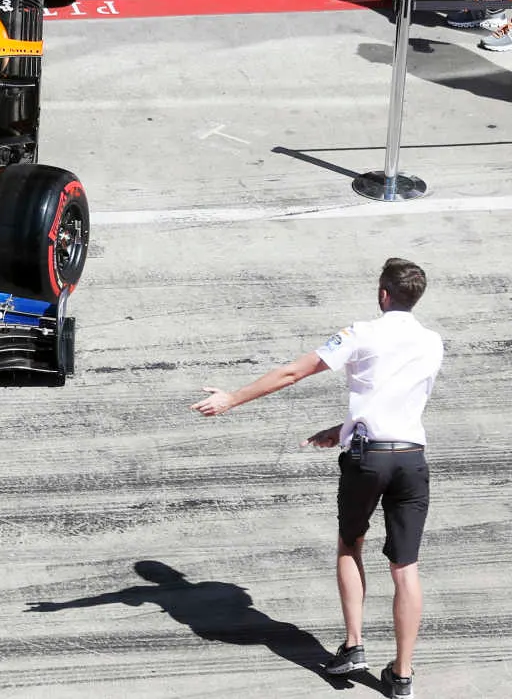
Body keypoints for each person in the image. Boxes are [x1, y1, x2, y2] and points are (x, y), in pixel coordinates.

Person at [191, 258, 441, 699]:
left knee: (351, 544)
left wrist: (233, 398)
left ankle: (354, 645)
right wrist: (342, 429)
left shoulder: (361, 333)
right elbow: (395, 401)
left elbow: (293, 372)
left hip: (368, 460)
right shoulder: (432, 341)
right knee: (406, 568)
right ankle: (402, 676)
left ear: (383, 293)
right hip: (411, 460)